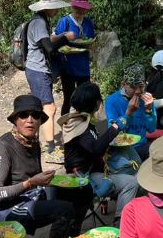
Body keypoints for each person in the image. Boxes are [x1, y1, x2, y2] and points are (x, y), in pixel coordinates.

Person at [0, 95, 88, 238]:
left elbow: (36, 177)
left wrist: (64, 179)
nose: (30, 120)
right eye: (23, 115)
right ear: (15, 119)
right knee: (64, 209)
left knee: (82, 190)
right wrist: (29, 183)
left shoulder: (33, 142)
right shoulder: (2, 148)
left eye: (35, 115)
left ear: (40, 121)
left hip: (31, 194)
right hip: (8, 208)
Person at [59, 82, 139, 225]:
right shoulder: (78, 125)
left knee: (131, 166)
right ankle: (122, 224)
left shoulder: (81, 119)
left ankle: (121, 217)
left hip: (93, 170)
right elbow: (96, 148)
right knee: (132, 182)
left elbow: (95, 145)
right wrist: (125, 117)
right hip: (82, 179)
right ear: (97, 103)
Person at [24, 0, 76, 161]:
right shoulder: (39, 23)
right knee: (49, 108)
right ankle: (51, 148)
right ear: (50, 7)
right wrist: (66, 38)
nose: (58, 11)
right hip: (37, 70)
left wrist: (59, 36)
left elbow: (47, 41)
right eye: (56, 7)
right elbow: (50, 47)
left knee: (41, 108)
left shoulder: (40, 20)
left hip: (38, 69)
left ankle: (33, 142)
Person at [54, 0, 97, 117]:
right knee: (69, 97)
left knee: (85, 97)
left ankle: (84, 125)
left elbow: (90, 41)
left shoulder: (88, 23)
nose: (80, 11)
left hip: (83, 66)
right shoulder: (65, 22)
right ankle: (65, 125)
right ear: (72, 7)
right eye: (77, 8)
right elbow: (55, 40)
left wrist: (89, 44)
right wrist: (66, 39)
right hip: (67, 66)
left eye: (82, 9)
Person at [104, 65, 156, 160]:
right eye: (133, 87)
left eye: (141, 86)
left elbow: (151, 129)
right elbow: (113, 135)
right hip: (123, 150)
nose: (138, 91)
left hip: (142, 146)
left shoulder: (146, 100)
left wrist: (149, 110)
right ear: (123, 84)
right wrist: (128, 113)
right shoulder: (112, 101)